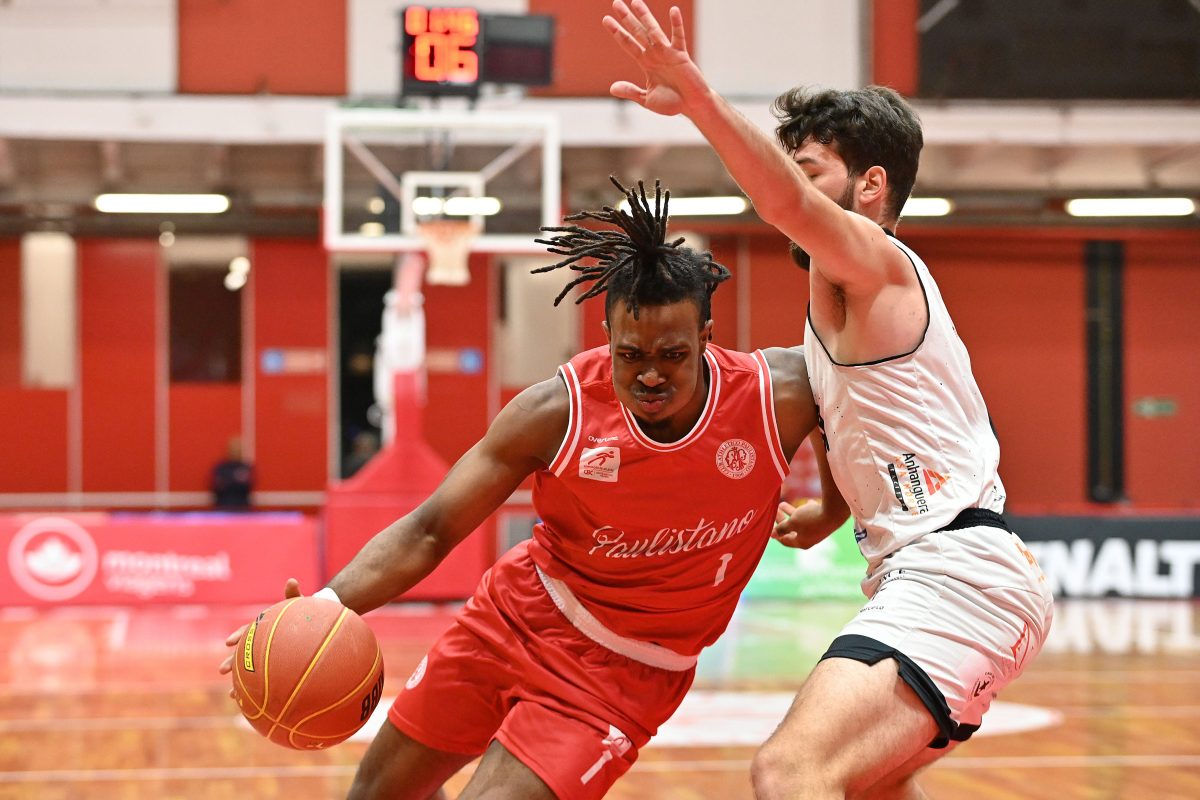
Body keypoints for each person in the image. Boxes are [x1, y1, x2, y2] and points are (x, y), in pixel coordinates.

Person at [220, 178, 846, 800]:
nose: (651, 374)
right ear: (606, 337)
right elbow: (431, 528)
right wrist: (326, 605)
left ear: (707, 337)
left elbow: (839, 406)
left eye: (672, 355)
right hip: (517, 616)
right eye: (631, 356)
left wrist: (833, 509)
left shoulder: (778, 393)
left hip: (626, 674)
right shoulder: (556, 413)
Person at [602, 3, 1055, 799]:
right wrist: (834, 510)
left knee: (790, 770)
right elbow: (855, 414)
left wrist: (697, 96)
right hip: (952, 572)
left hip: (957, 574)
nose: (790, 185)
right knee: (870, 785)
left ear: (870, 185)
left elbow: (784, 205)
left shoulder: (879, 261)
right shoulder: (840, 305)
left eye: (808, 169)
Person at [210, 435, 253, 509]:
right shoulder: (221, 468)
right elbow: (219, 487)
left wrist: (229, 480)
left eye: (238, 448)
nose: (236, 451)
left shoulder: (246, 467)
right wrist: (236, 480)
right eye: (234, 448)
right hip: (224, 507)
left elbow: (247, 486)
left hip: (242, 508)